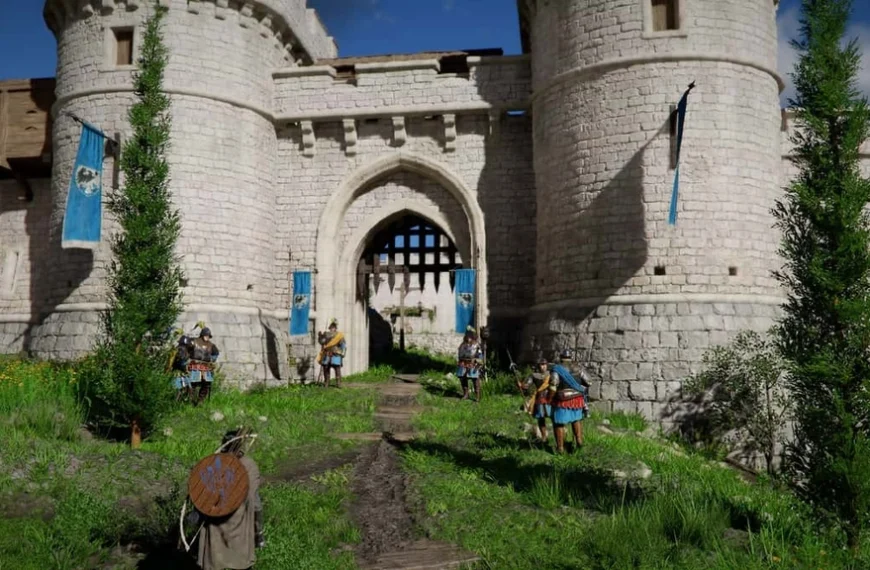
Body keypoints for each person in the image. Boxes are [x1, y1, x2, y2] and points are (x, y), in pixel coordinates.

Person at [191, 429, 265, 570]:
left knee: (215, 560)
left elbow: (200, 500)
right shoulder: (248, 465)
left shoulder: (214, 464)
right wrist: (259, 532)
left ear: (224, 445)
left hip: (215, 532)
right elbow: (256, 505)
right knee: (239, 560)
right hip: (240, 534)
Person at [547, 349, 591, 454]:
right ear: (570, 357)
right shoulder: (579, 368)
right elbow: (589, 382)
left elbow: (553, 386)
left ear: (561, 357)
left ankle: (560, 449)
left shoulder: (557, 369)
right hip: (577, 399)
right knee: (576, 420)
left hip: (562, 400)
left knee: (559, 423)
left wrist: (549, 398)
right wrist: (579, 389)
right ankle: (579, 442)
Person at [517, 357, 553, 444]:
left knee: (554, 417)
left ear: (546, 365)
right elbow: (526, 385)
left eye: (544, 364)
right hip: (540, 398)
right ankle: (544, 437)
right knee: (541, 418)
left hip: (551, 397)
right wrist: (521, 385)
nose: (543, 366)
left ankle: (558, 437)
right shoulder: (533, 375)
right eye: (541, 364)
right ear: (538, 365)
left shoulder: (551, 374)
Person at [189, 327, 220, 405]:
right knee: (193, 384)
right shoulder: (194, 341)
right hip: (194, 366)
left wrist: (212, 359)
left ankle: (200, 401)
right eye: (206, 335)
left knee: (206, 384)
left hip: (206, 367)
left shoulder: (211, 345)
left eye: (208, 335)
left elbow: (216, 354)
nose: (207, 337)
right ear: (202, 335)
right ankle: (190, 401)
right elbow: (187, 350)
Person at [456, 326, 484, 401]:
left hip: (473, 364)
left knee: (475, 380)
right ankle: (466, 394)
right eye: (467, 335)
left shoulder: (476, 345)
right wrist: (459, 361)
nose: (468, 338)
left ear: (473, 336)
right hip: (463, 363)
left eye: (470, 336)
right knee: (463, 378)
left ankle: (477, 396)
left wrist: (478, 362)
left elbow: (480, 356)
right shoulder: (463, 345)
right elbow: (460, 354)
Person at [317, 319, 346, 388]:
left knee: (337, 368)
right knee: (326, 368)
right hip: (327, 353)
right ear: (329, 327)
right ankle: (326, 382)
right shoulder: (326, 334)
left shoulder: (339, 335)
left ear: (335, 328)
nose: (332, 328)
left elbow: (343, 345)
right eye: (331, 327)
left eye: (333, 327)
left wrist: (343, 352)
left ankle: (338, 383)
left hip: (335, 353)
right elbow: (322, 342)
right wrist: (320, 336)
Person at [171, 333, 194, 402]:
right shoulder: (181, 350)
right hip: (178, 372)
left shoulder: (178, 349)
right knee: (180, 388)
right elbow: (180, 362)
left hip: (179, 372)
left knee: (188, 387)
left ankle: (185, 401)